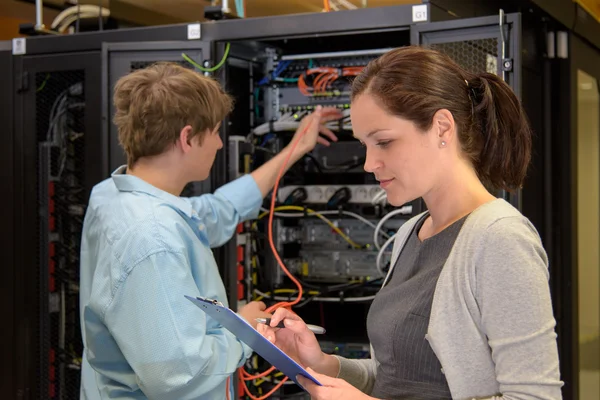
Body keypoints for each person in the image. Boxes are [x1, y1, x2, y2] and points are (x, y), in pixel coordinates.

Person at [258, 46, 563, 400]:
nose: (369, 163)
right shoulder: (411, 231)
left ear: (441, 127)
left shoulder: (500, 238)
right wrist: (324, 364)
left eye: (384, 142)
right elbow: (399, 379)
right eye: (364, 145)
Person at [79, 62, 341, 399]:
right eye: (216, 132)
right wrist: (245, 329)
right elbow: (178, 376)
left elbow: (218, 210)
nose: (219, 144)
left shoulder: (113, 195)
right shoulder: (152, 238)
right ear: (187, 137)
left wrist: (296, 148)